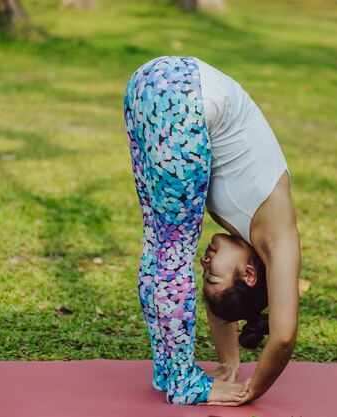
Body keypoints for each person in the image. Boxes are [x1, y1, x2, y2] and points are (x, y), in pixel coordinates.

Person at [123, 55, 300, 406]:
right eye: (213, 276)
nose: (205, 265)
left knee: (159, 246)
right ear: (250, 274)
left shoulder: (243, 238)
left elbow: (221, 304)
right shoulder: (280, 243)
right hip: (184, 93)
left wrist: (229, 363)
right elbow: (282, 337)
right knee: (173, 254)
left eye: (204, 275)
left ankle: (167, 370)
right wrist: (251, 391)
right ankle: (184, 384)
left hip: (147, 84)